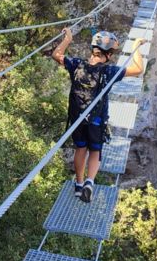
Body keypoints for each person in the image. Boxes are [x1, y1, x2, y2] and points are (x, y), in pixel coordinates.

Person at [52, 28, 146, 203]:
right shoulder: (109, 72)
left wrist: (68, 39)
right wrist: (136, 46)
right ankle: (89, 182)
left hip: (77, 119)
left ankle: (78, 185)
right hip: (96, 120)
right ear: (109, 54)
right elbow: (138, 68)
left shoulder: (76, 64)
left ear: (92, 50)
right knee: (95, 150)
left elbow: (56, 54)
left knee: (81, 148)